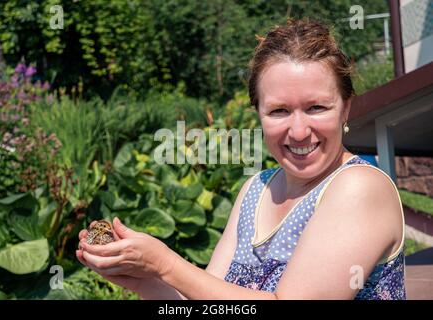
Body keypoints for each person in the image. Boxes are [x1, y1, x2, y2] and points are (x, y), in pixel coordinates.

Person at [76, 19, 406, 300]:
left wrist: (165, 263)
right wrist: (143, 277)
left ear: (345, 108)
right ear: (259, 114)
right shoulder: (256, 189)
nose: (299, 130)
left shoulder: (358, 187)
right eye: (279, 110)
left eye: (316, 107)